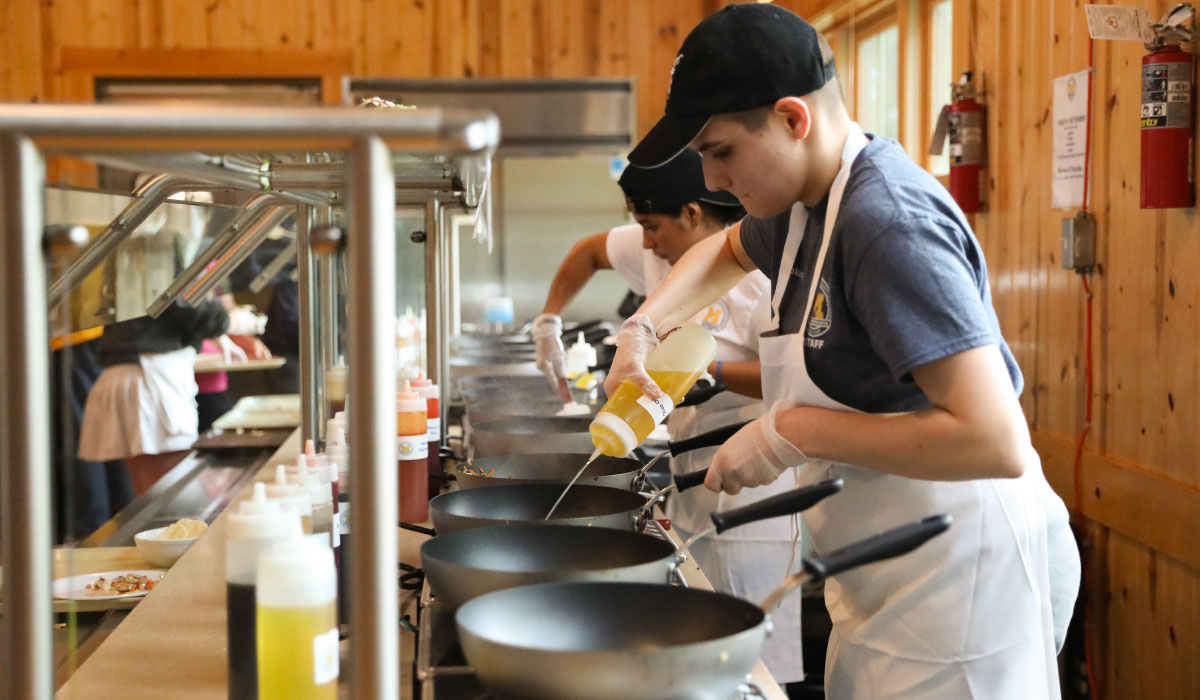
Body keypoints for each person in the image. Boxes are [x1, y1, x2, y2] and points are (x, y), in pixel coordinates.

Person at [607, 5, 1079, 698]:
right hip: (887, 574)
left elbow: (994, 439)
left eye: (720, 150)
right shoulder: (801, 210)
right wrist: (640, 331)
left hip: (963, 586)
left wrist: (786, 432)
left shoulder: (885, 221)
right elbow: (720, 252)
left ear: (794, 119)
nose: (708, 182)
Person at [531, 149, 807, 686]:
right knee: (700, 644)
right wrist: (549, 319)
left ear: (692, 213)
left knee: (756, 663)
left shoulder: (763, 281)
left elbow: (791, 375)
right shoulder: (659, 250)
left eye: (652, 227)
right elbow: (587, 252)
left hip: (756, 486)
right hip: (689, 472)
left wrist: (718, 373)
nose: (647, 243)